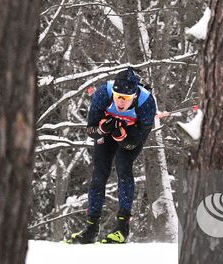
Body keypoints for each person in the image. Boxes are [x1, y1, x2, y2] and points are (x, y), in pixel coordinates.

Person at [66, 66, 157, 244]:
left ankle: (122, 229)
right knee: (99, 174)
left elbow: (135, 142)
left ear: (135, 96)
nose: (120, 103)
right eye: (117, 98)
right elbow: (91, 130)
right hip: (106, 136)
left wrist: (122, 137)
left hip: (131, 135)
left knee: (123, 165)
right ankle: (91, 228)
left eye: (126, 99)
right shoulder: (103, 94)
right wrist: (101, 129)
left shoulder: (146, 102)